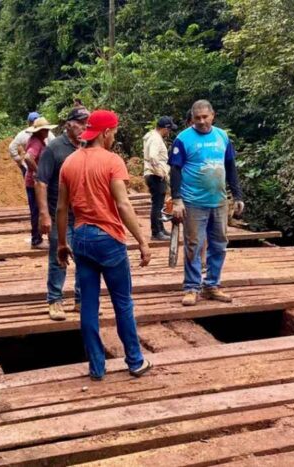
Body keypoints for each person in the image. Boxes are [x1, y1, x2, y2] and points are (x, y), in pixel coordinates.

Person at [56, 109, 153, 380]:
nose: (114, 137)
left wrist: (62, 244)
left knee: (88, 304)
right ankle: (134, 361)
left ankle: (96, 367)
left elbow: (62, 208)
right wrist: (143, 241)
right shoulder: (112, 161)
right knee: (122, 302)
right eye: (115, 132)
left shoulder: (69, 162)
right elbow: (122, 204)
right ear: (106, 132)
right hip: (108, 238)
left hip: (81, 238)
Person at [168, 100, 244, 306]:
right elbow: (174, 170)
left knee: (219, 244)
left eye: (205, 117)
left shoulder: (222, 137)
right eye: (197, 118)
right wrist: (176, 200)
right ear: (192, 118)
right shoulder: (182, 139)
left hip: (219, 201)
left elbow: (230, 166)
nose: (202, 121)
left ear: (213, 115)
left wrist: (237, 196)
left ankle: (212, 285)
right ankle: (192, 287)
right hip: (193, 202)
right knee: (194, 244)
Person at [35, 107, 90, 320]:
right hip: (60, 214)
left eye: (87, 123)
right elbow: (41, 182)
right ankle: (55, 300)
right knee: (60, 256)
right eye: (80, 123)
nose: (84, 127)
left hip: (84, 214)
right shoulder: (55, 148)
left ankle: (81, 300)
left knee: (85, 258)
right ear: (69, 124)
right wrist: (44, 215)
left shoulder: (88, 147)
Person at [23, 117, 56, 249]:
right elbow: (28, 157)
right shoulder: (36, 142)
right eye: (45, 130)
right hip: (34, 183)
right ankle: (36, 240)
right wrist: (38, 171)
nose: (47, 132)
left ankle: (41, 237)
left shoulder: (38, 141)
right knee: (37, 211)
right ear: (40, 131)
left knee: (39, 209)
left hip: (35, 182)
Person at [143, 116, 178, 240]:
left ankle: (161, 229)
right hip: (155, 175)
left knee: (159, 202)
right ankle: (156, 232)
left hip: (153, 174)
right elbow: (153, 156)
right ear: (165, 128)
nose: (169, 133)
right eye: (169, 130)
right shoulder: (156, 139)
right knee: (157, 204)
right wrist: (159, 171)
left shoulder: (153, 137)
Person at [8, 112, 41, 177]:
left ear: (28, 122)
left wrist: (18, 160)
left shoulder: (22, 134)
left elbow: (11, 147)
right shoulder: (46, 133)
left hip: (28, 166)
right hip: (43, 167)